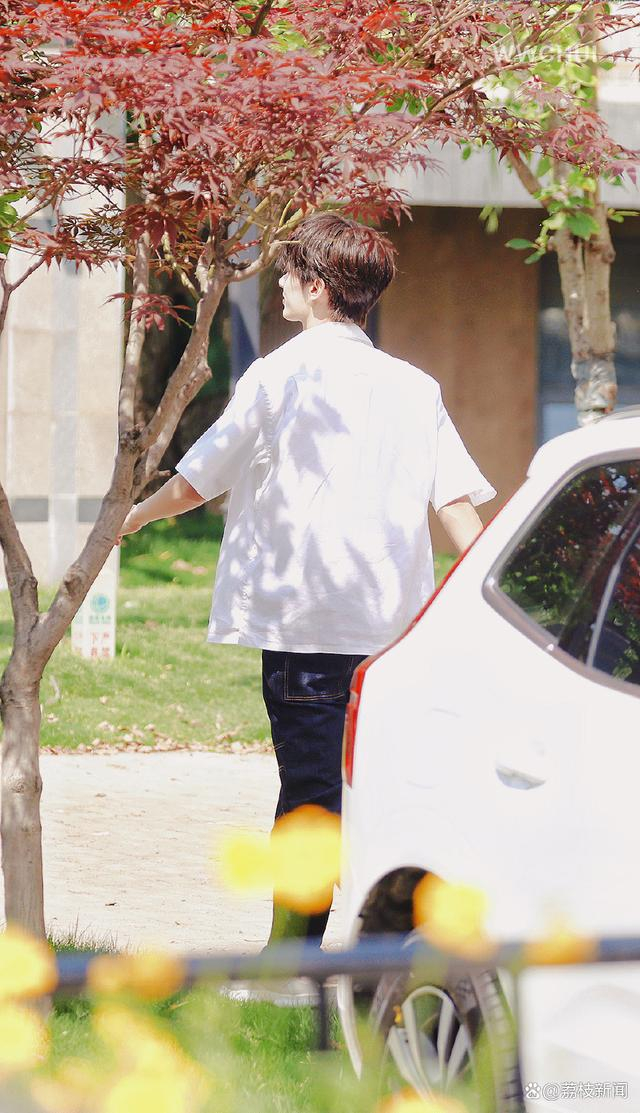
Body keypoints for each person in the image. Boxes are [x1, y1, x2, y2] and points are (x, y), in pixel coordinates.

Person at [118, 212, 496, 949]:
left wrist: (127, 521)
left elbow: (197, 482)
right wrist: (488, 594)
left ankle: (293, 965)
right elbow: (454, 505)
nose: (282, 285)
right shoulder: (415, 387)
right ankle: (388, 950)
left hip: (306, 627)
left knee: (311, 797)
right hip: (394, 634)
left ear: (318, 287)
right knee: (381, 792)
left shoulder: (276, 375)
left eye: (290, 274)